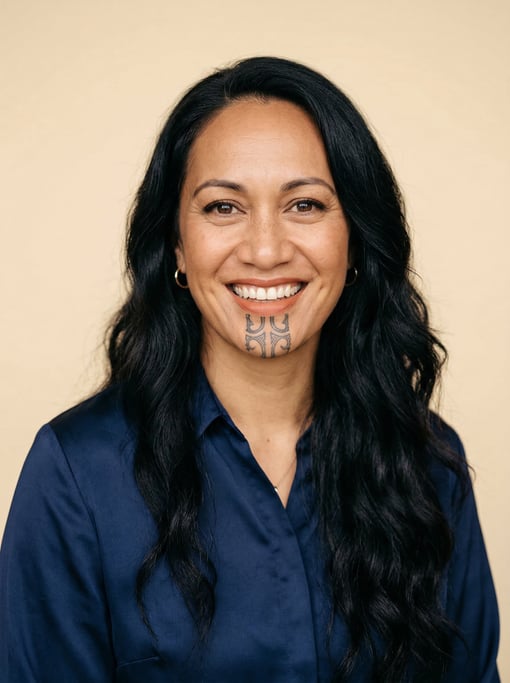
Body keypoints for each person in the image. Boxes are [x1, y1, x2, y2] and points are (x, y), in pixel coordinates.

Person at [0, 57, 500, 683]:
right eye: (222, 209)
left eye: (306, 205)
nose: (265, 250)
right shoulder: (76, 472)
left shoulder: (428, 463)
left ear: (355, 246)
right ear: (177, 246)